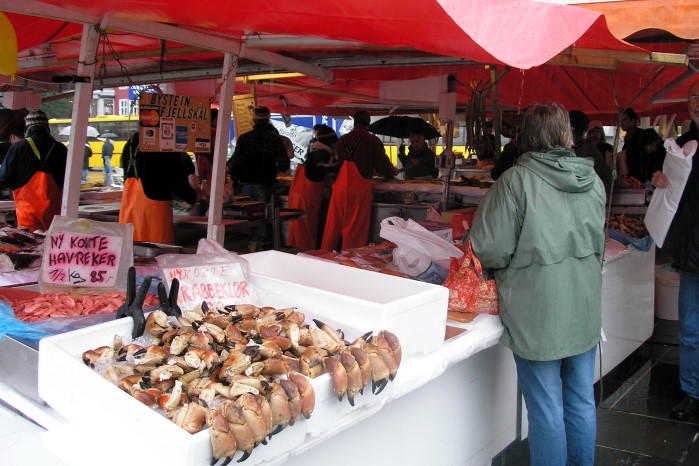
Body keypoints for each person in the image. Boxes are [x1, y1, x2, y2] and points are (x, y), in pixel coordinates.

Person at [467, 102, 606, 466]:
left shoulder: (515, 182)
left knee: (546, 409)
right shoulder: (593, 181)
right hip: (585, 304)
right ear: (567, 134)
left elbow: (489, 248)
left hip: (536, 311)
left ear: (524, 136)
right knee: (581, 399)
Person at [651, 78, 699, 422]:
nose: (697, 103)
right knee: (691, 329)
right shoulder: (679, 146)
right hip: (690, 253)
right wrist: (659, 181)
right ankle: (692, 392)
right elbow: (668, 191)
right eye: (694, 96)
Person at [321, 110, 397, 251]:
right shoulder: (372, 140)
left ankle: (324, 256)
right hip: (357, 191)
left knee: (331, 226)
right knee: (353, 230)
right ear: (368, 123)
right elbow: (384, 167)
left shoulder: (341, 140)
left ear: (354, 122)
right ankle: (350, 259)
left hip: (339, 188)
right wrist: (392, 172)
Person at [227, 106, 290, 249]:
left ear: (253, 120)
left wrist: (234, 182)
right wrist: (274, 169)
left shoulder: (244, 139)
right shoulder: (275, 139)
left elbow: (236, 163)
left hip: (245, 184)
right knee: (263, 217)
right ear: (268, 120)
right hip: (266, 183)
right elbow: (284, 163)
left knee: (246, 217)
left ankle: (247, 246)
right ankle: (261, 246)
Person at [118, 131, 197, 244]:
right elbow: (176, 179)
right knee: (158, 249)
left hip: (129, 205)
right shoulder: (167, 140)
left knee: (131, 247)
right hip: (155, 208)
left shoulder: (133, 139)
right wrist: (192, 197)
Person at [0, 110, 68, 231]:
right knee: (52, 239)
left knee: (30, 240)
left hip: (27, 212)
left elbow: (4, 179)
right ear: (47, 127)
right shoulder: (61, 148)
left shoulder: (18, 147)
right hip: (53, 212)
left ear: (28, 128)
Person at [287, 125, 339, 251]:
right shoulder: (324, 154)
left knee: (296, 231)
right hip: (306, 197)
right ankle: (306, 257)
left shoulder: (315, 150)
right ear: (331, 142)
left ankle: (293, 256)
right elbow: (335, 169)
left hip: (297, 194)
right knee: (306, 232)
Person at [570, 110, 613, 195]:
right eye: (593, 131)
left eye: (598, 131)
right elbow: (605, 173)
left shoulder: (561, 148)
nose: (595, 134)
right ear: (586, 130)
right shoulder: (588, 147)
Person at [195, 108, 218, 196]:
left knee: (204, 193)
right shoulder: (214, 131)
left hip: (201, 167)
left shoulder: (201, 130)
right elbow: (215, 149)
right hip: (211, 167)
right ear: (215, 118)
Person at [620, 107, 643, 180]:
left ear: (633, 121)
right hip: (630, 176)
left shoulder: (641, 135)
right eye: (620, 120)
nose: (621, 123)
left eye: (624, 119)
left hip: (640, 176)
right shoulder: (627, 137)